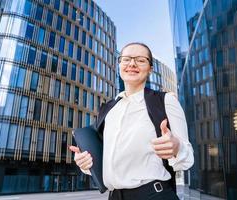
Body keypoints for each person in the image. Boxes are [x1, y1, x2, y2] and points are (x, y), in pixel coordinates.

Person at [69, 42, 194, 200]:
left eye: (141, 60)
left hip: (153, 195)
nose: (132, 64)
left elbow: (187, 157)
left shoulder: (165, 101)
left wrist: (176, 147)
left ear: (150, 69)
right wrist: (85, 163)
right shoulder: (108, 109)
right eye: (126, 59)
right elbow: (105, 160)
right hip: (114, 196)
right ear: (119, 64)